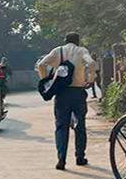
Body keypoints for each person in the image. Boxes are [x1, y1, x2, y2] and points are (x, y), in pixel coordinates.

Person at [36, 32, 97, 170]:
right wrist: (90, 79)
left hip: (62, 94)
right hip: (78, 93)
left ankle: (61, 159)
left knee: (61, 127)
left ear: (65, 41)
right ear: (78, 41)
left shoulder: (58, 51)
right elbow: (92, 63)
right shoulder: (82, 51)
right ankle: (80, 157)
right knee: (80, 126)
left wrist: (46, 80)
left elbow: (41, 65)